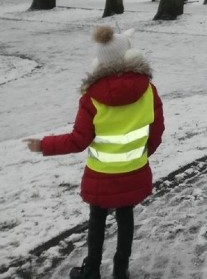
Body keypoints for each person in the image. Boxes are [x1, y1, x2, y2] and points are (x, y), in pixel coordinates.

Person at [24, 27, 165, 279]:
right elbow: (157, 129)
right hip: (134, 169)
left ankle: (91, 270)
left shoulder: (91, 98)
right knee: (125, 217)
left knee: (97, 221)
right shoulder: (148, 90)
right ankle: (121, 270)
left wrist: (44, 145)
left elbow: (79, 140)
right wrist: (143, 155)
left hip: (100, 174)